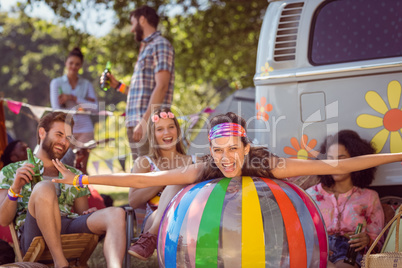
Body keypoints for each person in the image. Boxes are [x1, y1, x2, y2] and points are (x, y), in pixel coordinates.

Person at [52, 112, 402, 259]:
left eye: (233, 149)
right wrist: (82, 178)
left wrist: (397, 155)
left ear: (246, 147)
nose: (226, 158)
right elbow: (145, 179)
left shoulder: (264, 162)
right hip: (216, 235)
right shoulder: (204, 166)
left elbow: (338, 164)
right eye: (218, 150)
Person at [0, 112, 125, 268]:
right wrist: (15, 188)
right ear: (42, 133)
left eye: (68, 138)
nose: (63, 142)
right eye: (59, 134)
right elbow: (3, 220)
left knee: (116, 213)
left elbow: (81, 214)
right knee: (44, 187)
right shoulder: (11, 171)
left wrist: (88, 215)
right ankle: (61, 263)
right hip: (33, 233)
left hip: (67, 225)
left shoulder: (75, 175)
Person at [101, 5, 175, 162]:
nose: (131, 29)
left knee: (150, 177)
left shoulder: (159, 44)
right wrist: (117, 85)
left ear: (142, 19)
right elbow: (142, 93)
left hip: (149, 124)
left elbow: (162, 86)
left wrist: (144, 121)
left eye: (133, 23)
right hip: (136, 122)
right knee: (139, 174)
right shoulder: (145, 48)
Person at [127, 107, 200, 260]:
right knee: (177, 180)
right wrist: (164, 179)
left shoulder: (194, 161)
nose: (167, 133)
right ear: (153, 135)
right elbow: (133, 201)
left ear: (177, 131)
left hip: (189, 216)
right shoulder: (145, 163)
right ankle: (151, 235)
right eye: (160, 129)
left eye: (171, 127)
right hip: (154, 220)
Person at [306, 130, 384, 268]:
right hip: (317, 252)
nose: (334, 164)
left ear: (357, 161)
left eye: (341, 158)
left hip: (350, 254)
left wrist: (367, 240)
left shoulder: (370, 197)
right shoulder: (309, 195)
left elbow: (379, 242)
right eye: (330, 159)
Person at [50, 47, 98, 168]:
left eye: (77, 64)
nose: (74, 66)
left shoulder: (86, 84)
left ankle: (82, 187)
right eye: (71, 63)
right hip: (65, 129)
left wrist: (72, 97)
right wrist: (83, 104)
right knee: (63, 164)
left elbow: (95, 107)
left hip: (85, 129)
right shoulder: (57, 83)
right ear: (66, 63)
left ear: (81, 66)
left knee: (81, 167)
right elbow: (56, 109)